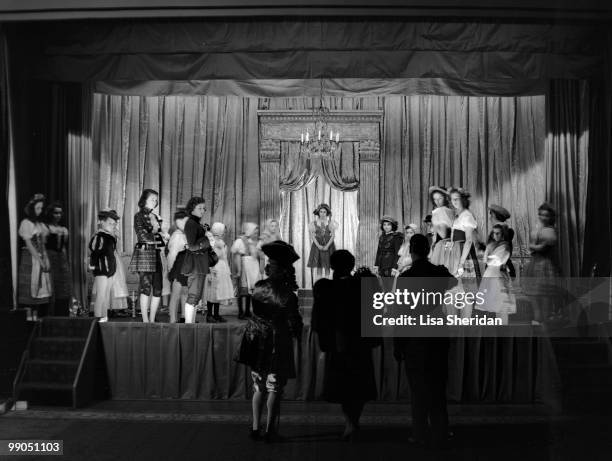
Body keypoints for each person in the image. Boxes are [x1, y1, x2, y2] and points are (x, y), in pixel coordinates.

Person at [394, 234, 458, 449]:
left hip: (414, 336)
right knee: (437, 386)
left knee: (418, 388)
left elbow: (400, 312)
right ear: (429, 249)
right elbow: (454, 281)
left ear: (411, 250)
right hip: (437, 334)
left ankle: (419, 432)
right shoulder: (438, 272)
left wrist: (397, 344)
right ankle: (440, 430)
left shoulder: (406, 277)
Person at [236, 240, 303, 443]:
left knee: (258, 386)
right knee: (274, 387)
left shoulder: (258, 287)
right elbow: (294, 322)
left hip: (256, 339)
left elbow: (258, 311)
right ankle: (270, 431)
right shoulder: (288, 295)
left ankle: (256, 428)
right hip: (276, 341)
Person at [312, 250, 380, 441]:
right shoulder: (360, 285)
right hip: (358, 343)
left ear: (332, 266)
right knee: (356, 384)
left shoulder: (326, 288)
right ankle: (353, 421)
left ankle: (351, 422)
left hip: (340, 344)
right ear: (351, 266)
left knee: (345, 385)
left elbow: (319, 320)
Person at [128, 189, 169, 323]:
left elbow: (160, 236)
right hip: (145, 253)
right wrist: (160, 236)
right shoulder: (138, 216)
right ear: (144, 200)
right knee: (146, 287)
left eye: (156, 200)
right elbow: (143, 236)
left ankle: (152, 319)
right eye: (152, 199)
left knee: (158, 288)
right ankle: (145, 320)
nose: (155, 201)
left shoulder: (156, 217)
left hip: (156, 253)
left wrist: (163, 236)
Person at [88, 209, 128, 322]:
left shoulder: (110, 236)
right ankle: (97, 318)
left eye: (114, 224)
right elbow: (94, 251)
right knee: (101, 294)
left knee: (105, 294)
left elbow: (112, 252)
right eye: (110, 223)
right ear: (102, 222)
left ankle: (104, 317)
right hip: (101, 268)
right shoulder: (99, 236)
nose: (113, 226)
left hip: (110, 267)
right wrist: (92, 266)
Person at [523, 203, 560, 324]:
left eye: (546, 215)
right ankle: (537, 320)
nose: (543, 217)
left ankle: (543, 322)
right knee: (534, 296)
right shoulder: (539, 229)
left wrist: (533, 246)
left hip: (545, 265)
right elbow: (534, 246)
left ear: (550, 217)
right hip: (535, 264)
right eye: (541, 214)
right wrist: (534, 246)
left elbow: (541, 248)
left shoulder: (550, 231)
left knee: (544, 296)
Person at [18, 194, 52, 317]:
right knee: (30, 289)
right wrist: (39, 260)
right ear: (32, 208)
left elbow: (42, 244)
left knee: (40, 290)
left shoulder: (39, 224)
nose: (40, 211)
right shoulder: (26, 223)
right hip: (30, 258)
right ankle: (29, 320)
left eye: (41, 208)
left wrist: (46, 259)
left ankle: (37, 319)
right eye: (37, 208)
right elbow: (29, 244)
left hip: (40, 256)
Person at [477, 224, 517, 325]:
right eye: (494, 233)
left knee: (502, 303)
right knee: (494, 303)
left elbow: (497, 260)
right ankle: (498, 331)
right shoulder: (492, 245)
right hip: (490, 274)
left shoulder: (505, 245)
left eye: (498, 233)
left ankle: (503, 329)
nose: (495, 235)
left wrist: (489, 255)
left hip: (499, 275)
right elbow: (486, 260)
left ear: (502, 234)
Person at [181, 197, 211, 324]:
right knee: (194, 296)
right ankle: (189, 327)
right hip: (195, 264)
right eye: (199, 208)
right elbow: (192, 246)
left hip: (199, 263)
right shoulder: (191, 223)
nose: (203, 210)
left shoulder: (195, 223)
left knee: (196, 296)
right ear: (191, 209)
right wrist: (206, 241)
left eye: (204, 208)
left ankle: (190, 325)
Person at [446, 188, 481, 281]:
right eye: (452, 199)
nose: (454, 202)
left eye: (456, 199)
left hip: (464, 254)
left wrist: (461, 263)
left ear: (463, 199)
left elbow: (469, 241)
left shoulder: (467, 215)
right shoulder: (458, 215)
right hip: (455, 252)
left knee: (467, 286)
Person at [231, 223, 264, 319]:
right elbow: (237, 256)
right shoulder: (241, 241)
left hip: (253, 266)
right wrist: (239, 270)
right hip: (245, 266)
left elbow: (260, 256)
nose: (256, 234)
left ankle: (247, 312)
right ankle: (241, 312)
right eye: (254, 232)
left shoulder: (255, 242)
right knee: (243, 290)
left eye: (257, 232)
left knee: (251, 290)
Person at [44, 201, 72, 316]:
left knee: (64, 286)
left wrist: (65, 261)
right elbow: (43, 246)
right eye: (55, 213)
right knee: (51, 284)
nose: (58, 216)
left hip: (62, 259)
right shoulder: (45, 227)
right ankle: (51, 313)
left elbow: (64, 246)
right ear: (50, 214)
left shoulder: (64, 229)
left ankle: (63, 313)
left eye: (60, 213)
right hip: (50, 257)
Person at [204, 222, 235, 323]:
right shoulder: (211, 242)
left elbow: (224, 257)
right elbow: (207, 257)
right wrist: (208, 271)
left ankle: (216, 315)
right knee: (212, 292)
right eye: (223, 230)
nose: (224, 232)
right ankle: (209, 315)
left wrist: (227, 271)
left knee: (218, 292)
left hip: (222, 268)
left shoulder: (220, 241)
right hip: (214, 268)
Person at [167, 210, 189, 323]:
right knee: (176, 294)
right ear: (178, 221)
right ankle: (172, 319)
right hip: (178, 267)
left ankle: (184, 317)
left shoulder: (186, 234)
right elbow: (172, 255)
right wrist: (170, 270)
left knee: (185, 292)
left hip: (187, 267)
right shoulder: (177, 235)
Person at [307, 203, 337, 282]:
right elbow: (312, 236)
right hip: (318, 245)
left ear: (327, 213)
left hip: (328, 245)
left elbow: (333, 236)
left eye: (324, 212)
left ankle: (327, 284)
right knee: (319, 265)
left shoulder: (330, 223)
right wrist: (318, 245)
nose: (322, 214)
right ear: (318, 212)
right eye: (321, 212)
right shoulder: (313, 223)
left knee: (327, 265)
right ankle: (319, 284)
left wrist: (327, 246)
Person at [486, 204, 516, 278]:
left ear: (494, 216)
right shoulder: (506, 230)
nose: (490, 218)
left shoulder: (498, 232)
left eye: (491, 215)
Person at [428, 186, 455, 267]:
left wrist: (435, 225)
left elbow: (443, 235)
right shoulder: (451, 211)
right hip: (452, 245)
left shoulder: (439, 211)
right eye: (435, 199)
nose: (437, 202)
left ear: (446, 198)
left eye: (440, 198)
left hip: (443, 246)